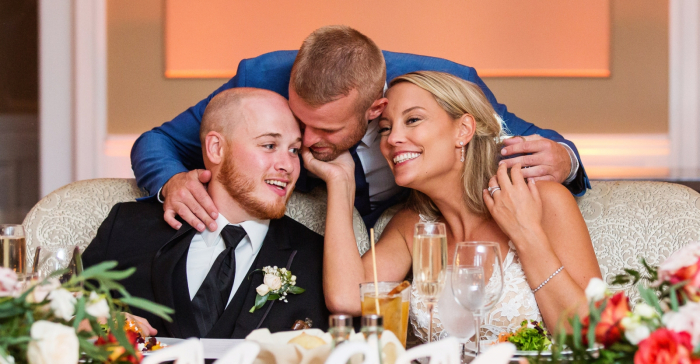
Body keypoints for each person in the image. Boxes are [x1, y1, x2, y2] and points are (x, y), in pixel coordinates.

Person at [131, 26, 589, 232]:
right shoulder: (260, 78)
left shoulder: (446, 87)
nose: (307, 142)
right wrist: (169, 181)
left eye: (326, 129)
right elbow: (157, 141)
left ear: (376, 108)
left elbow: (542, 143)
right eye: (299, 121)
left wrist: (565, 159)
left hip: (414, 238)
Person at [304, 71, 600, 342]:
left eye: (413, 120)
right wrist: (340, 183)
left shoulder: (542, 199)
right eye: (384, 128)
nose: (392, 139)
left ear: (463, 130)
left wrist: (526, 235)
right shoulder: (412, 226)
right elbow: (347, 299)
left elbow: (594, 336)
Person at [83, 88, 328, 339]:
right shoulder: (128, 228)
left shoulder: (318, 258)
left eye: (294, 150)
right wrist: (96, 323)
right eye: (269, 145)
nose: (287, 165)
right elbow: (59, 317)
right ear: (216, 148)